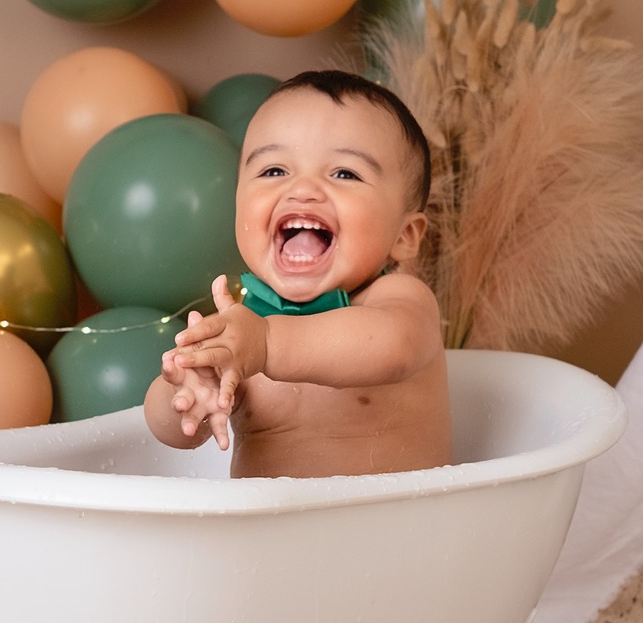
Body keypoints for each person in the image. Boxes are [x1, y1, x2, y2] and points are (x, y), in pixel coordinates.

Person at [143, 70, 452, 477]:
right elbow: (175, 434)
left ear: (405, 235)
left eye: (344, 173)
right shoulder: (242, 328)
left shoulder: (398, 300)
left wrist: (266, 343)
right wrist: (185, 392)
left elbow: (395, 347)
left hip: (392, 533)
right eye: (274, 171)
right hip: (272, 539)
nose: (302, 189)